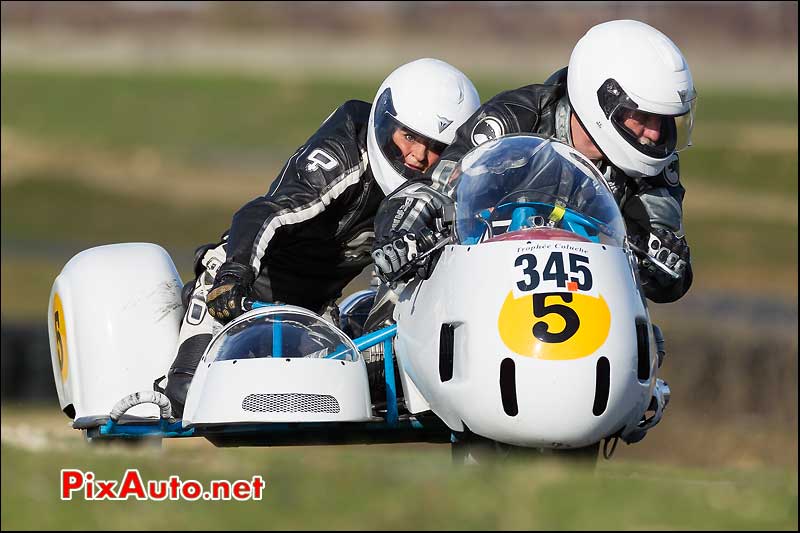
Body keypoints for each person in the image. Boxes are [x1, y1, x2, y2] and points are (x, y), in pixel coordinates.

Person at [163, 58, 480, 418]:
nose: (419, 156)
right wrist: (233, 275)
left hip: (315, 314)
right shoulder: (344, 155)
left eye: (435, 145)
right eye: (409, 136)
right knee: (189, 396)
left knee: (361, 400)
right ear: (386, 120)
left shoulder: (444, 187)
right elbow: (265, 213)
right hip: (241, 294)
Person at [372, 20, 696, 304]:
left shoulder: (655, 167)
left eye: (664, 119)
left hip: (589, 302)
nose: (655, 134)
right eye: (643, 116)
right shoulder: (515, 118)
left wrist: (663, 262)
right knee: (392, 317)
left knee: (648, 346)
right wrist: (403, 235)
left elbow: (671, 277)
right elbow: (437, 186)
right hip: (481, 286)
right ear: (602, 97)